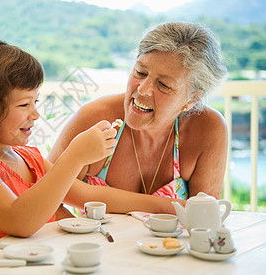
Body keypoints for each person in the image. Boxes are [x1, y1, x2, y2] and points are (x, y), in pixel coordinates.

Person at [0, 39, 117, 250]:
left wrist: (161, 205)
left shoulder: (30, 158)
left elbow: (82, 198)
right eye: (24, 104)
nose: (36, 115)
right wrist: (75, 156)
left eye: (35, 102)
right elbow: (20, 220)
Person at [48, 22, 228, 213]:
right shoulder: (94, 119)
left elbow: (204, 218)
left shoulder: (208, 129)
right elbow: (43, 192)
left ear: (191, 99)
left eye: (164, 85)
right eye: (140, 72)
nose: (142, 89)